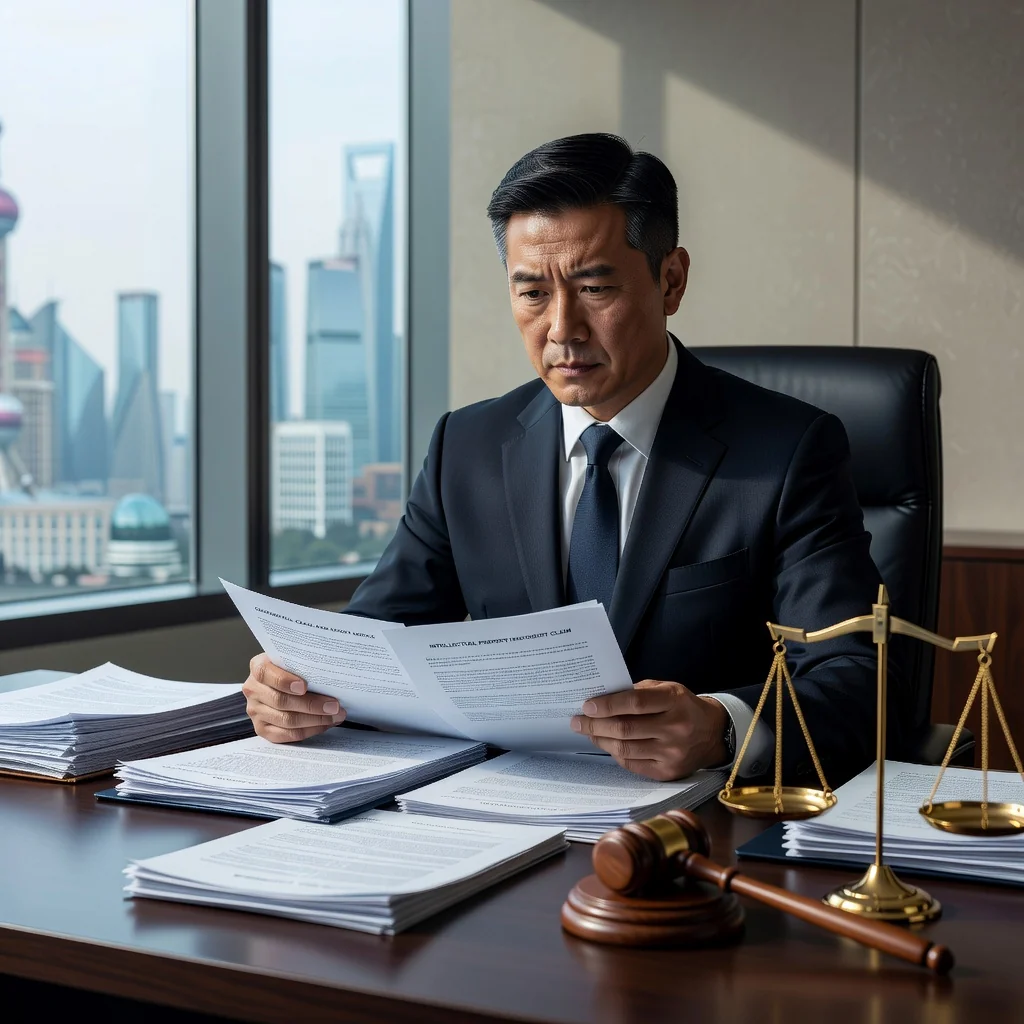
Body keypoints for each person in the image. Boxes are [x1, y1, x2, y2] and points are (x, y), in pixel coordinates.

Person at [244, 133, 891, 786]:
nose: (561, 328)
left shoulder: (785, 452)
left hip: (698, 834)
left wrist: (722, 726)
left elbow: (854, 680)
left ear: (671, 280)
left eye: (595, 287)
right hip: (502, 818)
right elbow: (374, 643)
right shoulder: (465, 449)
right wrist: (298, 688)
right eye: (531, 293)